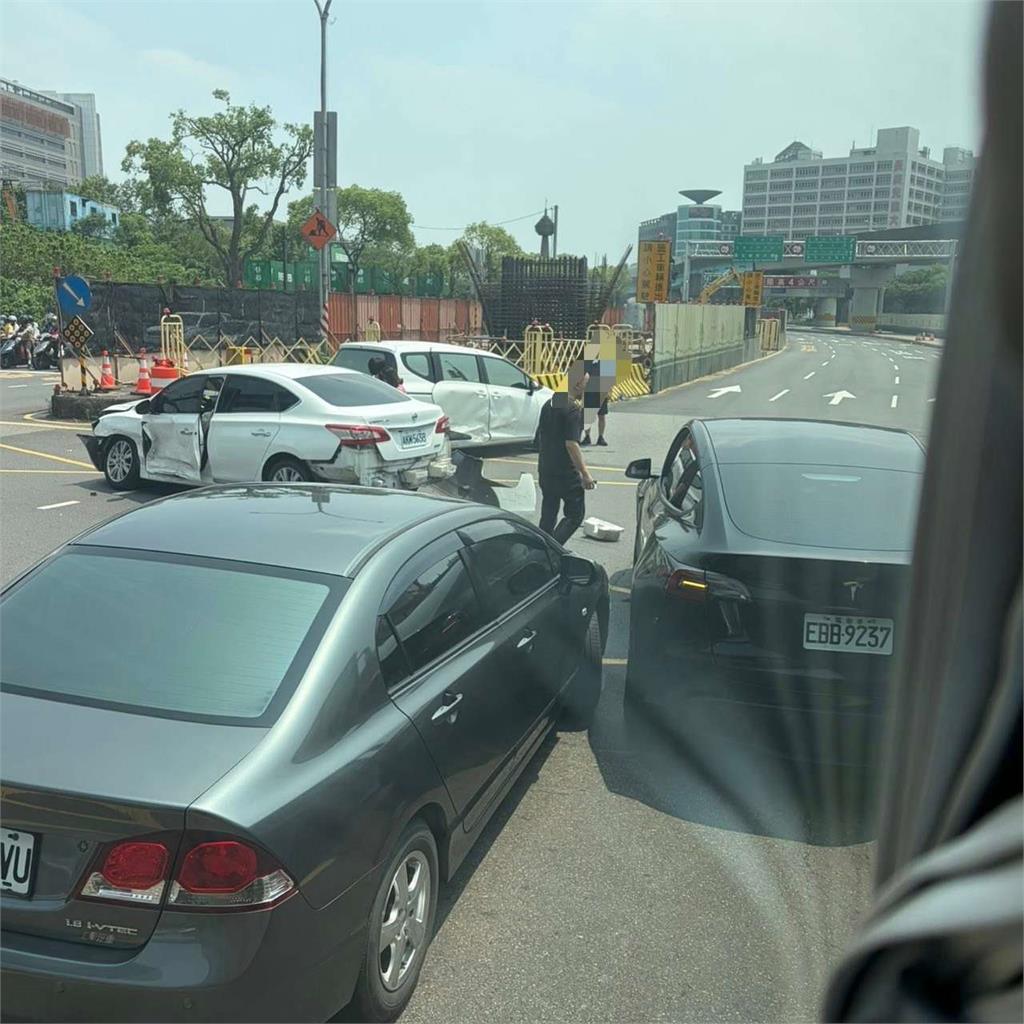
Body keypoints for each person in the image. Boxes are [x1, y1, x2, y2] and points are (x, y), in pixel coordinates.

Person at [537, 361, 596, 544]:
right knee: (575, 515)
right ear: (578, 384)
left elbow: (540, 435)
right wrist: (585, 474)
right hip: (565, 472)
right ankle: (555, 549)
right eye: (587, 383)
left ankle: (541, 548)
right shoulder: (573, 409)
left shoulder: (551, 402)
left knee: (548, 513)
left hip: (546, 468)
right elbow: (572, 444)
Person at [580, 354, 609, 446]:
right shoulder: (587, 362)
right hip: (589, 392)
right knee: (587, 416)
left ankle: (601, 437)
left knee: (601, 415)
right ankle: (587, 437)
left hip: (601, 392)